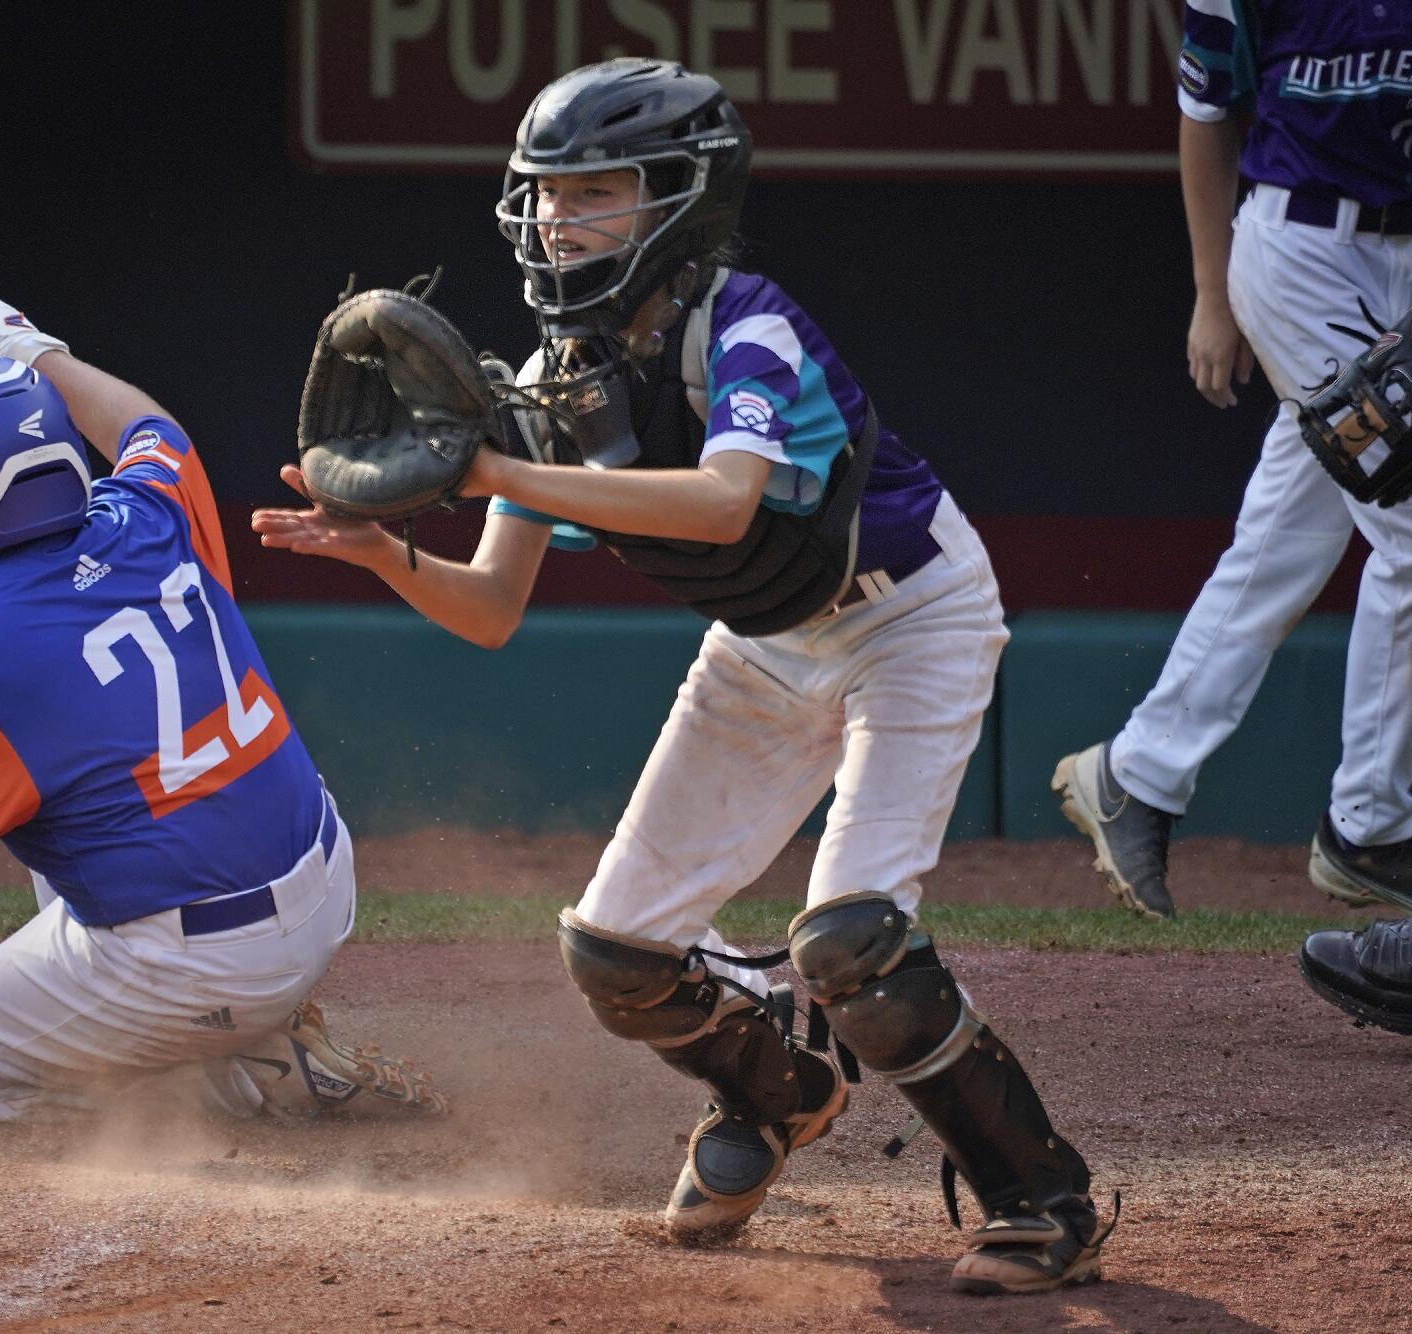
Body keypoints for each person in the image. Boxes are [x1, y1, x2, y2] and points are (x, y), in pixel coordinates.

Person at [254, 59, 1107, 1296]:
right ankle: (784, 1094)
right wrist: (390, 550)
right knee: (618, 956)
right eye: (546, 196)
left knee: (853, 943)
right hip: (764, 644)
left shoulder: (743, 318)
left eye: (592, 192)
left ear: (677, 198)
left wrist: (494, 472)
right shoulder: (547, 381)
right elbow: (490, 608)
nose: (558, 222)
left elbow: (720, 504)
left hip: (908, 615)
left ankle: (1041, 1200)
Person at [0, 293, 445, 1125]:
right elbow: (148, 426)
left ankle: (215, 1091)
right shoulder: (149, 512)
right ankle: (261, 1037)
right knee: (61, 814)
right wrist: (39, 354)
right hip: (325, 884)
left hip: (207, 965)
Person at [1053, 2, 1412, 921]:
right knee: (1411, 531)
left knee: (1280, 546)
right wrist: (1214, 294)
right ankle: (1369, 825)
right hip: (1304, 254)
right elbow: (1207, 117)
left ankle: (1136, 773)